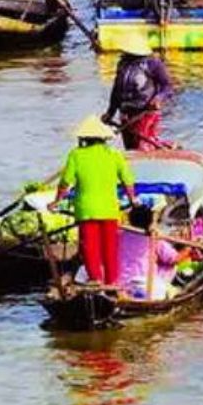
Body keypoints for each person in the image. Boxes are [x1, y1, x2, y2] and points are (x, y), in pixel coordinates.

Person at [59, 116, 136, 287]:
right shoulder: (115, 155)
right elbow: (128, 181)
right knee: (110, 248)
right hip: (109, 209)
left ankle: (95, 280)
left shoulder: (76, 155)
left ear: (84, 139)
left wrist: (56, 201)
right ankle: (112, 282)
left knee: (90, 248)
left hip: (86, 209)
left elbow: (65, 182)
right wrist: (133, 200)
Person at [101, 32, 173, 150]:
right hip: (126, 114)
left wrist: (158, 99)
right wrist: (110, 112)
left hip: (145, 113)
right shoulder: (122, 64)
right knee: (130, 148)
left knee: (143, 147)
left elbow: (167, 87)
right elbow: (117, 90)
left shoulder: (153, 64)